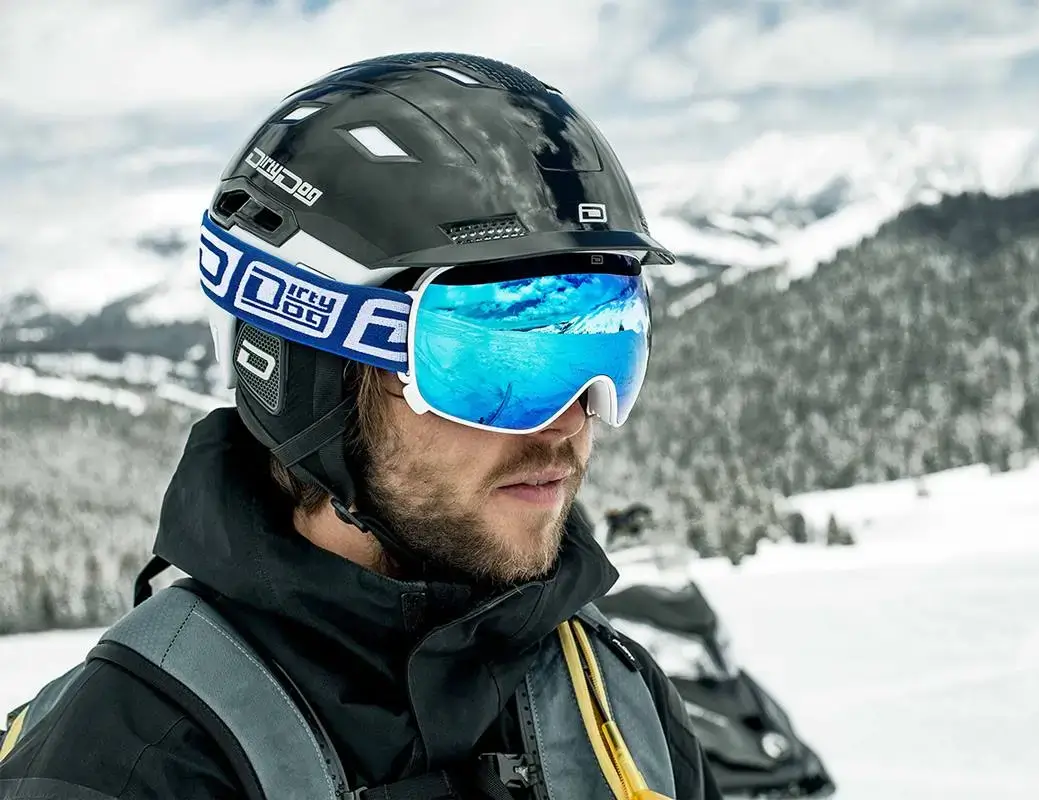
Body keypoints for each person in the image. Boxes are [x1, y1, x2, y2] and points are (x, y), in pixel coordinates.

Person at [0, 52, 721, 799]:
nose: (573, 420)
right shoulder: (120, 765)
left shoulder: (618, 705)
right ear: (313, 378)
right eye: (494, 363)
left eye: (608, 343)